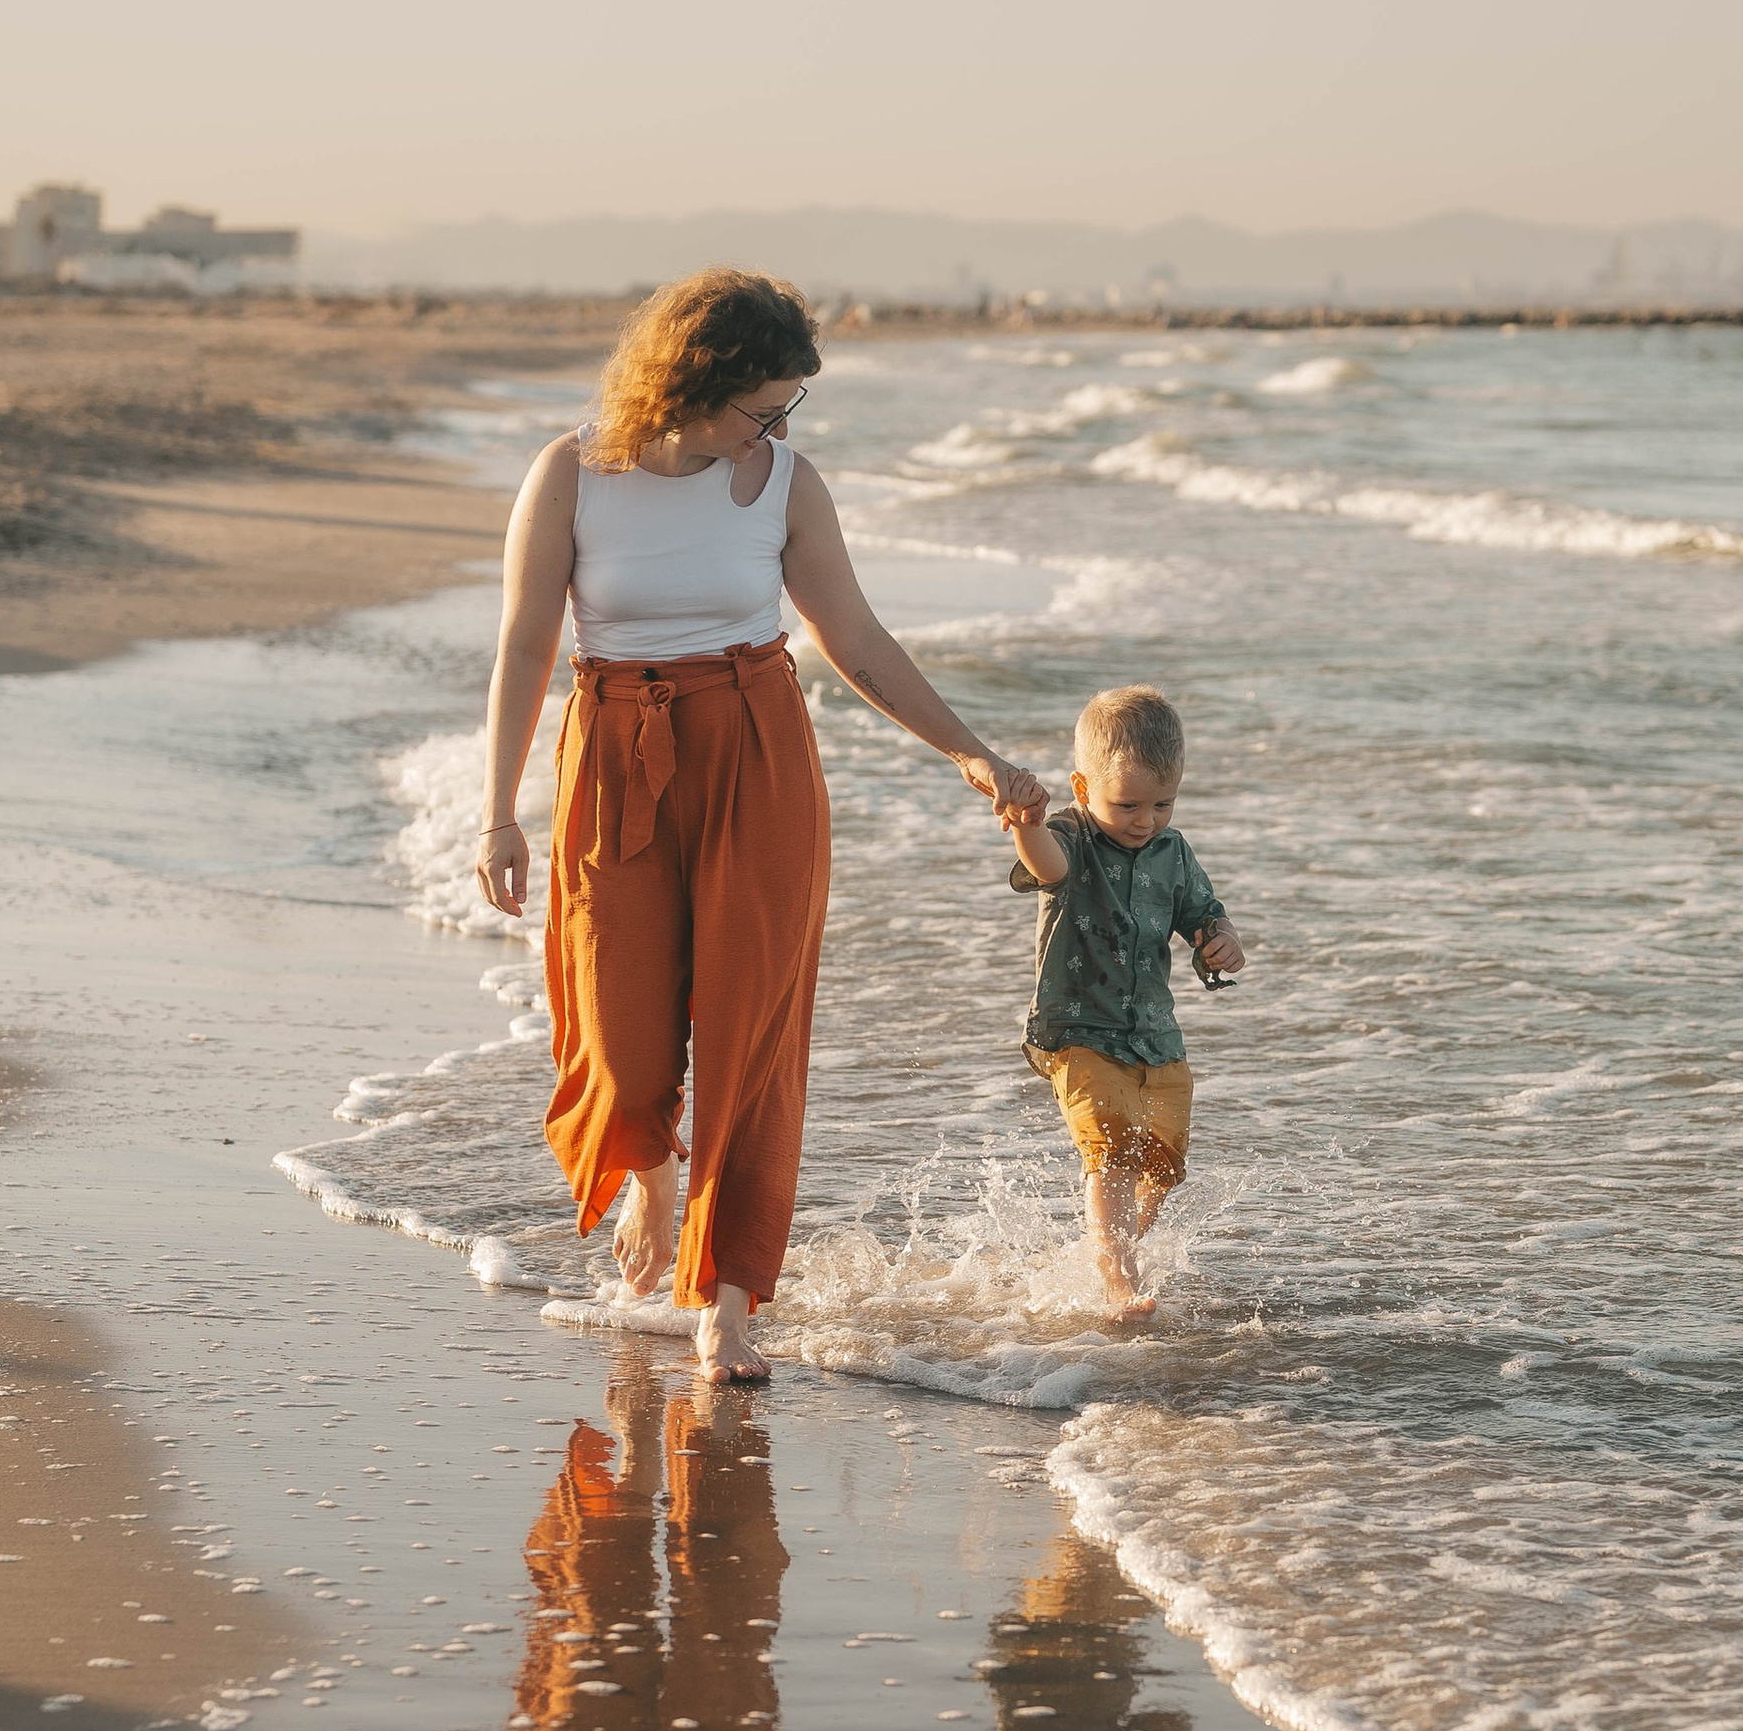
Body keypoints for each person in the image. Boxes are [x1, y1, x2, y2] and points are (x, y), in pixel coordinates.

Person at [475, 266, 1046, 1381]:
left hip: (757, 750)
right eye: (764, 405)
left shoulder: (786, 482)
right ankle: (649, 1175)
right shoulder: (572, 474)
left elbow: (859, 642)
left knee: (752, 1032)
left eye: (789, 407)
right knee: (620, 1027)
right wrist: (498, 813)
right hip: (616, 753)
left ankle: (726, 1297)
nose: (778, 426)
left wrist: (970, 749)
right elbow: (522, 645)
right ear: (691, 381)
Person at [998, 683, 1244, 1319]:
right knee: (1109, 1147)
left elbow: (1203, 915)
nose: (1147, 819)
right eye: (1128, 803)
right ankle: (1117, 1278)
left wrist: (1221, 942)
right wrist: (1027, 826)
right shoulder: (1071, 837)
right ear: (1084, 791)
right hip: (1080, 1028)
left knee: (1160, 1161)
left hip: (1155, 1035)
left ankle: (1117, 1250)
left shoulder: (1173, 851)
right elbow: (1045, 868)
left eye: (1164, 803)